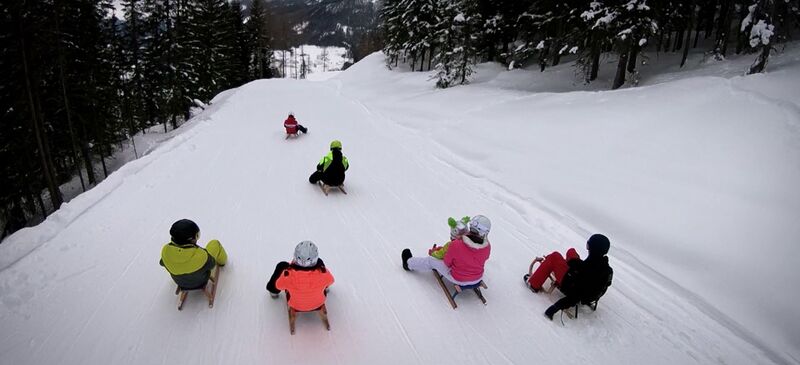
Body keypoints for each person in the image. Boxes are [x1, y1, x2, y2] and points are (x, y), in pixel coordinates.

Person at [524, 234, 613, 320]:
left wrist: (555, 308)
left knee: (555, 256)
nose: (587, 247)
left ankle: (533, 284)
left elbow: (577, 295)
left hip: (570, 284)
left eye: (588, 245)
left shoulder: (589, 271)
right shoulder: (606, 269)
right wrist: (575, 264)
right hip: (578, 276)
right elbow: (600, 286)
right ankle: (558, 264)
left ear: (592, 248)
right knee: (571, 251)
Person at [401, 215, 492, 286]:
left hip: (459, 279)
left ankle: (408, 263)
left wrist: (439, 252)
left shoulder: (456, 244)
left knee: (431, 260)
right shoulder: (487, 247)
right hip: (478, 278)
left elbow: (447, 262)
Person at [266, 241, 334, 312]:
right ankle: (325, 288)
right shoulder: (323, 272)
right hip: (318, 303)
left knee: (281, 265)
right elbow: (331, 280)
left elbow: (279, 286)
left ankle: (273, 292)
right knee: (321, 265)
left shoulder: (288, 275)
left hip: (295, 304)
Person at [160, 219, 228, 290]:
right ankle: (222, 262)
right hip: (201, 281)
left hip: (180, 282)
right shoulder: (201, 255)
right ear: (190, 239)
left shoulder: (165, 251)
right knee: (215, 243)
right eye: (196, 236)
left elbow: (162, 263)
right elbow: (212, 264)